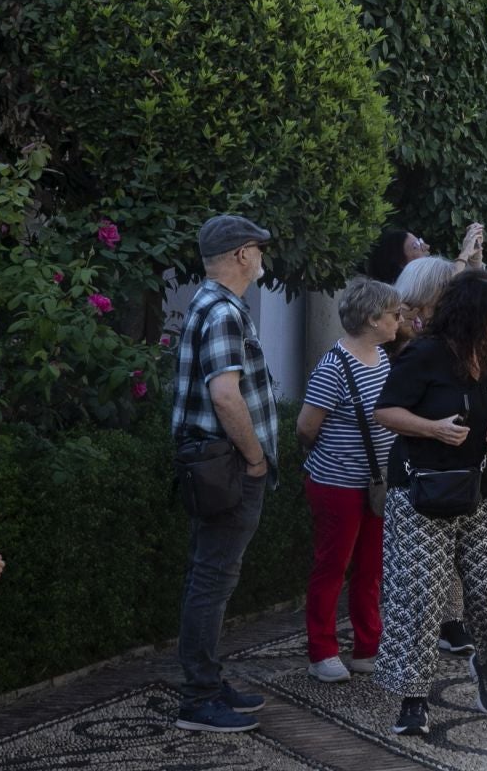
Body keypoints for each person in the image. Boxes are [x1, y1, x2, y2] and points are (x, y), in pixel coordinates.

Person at [374, 270, 487, 737]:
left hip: (484, 490)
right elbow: (385, 411)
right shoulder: (424, 354)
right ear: (477, 311)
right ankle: (413, 698)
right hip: (423, 491)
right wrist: (433, 428)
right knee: (422, 595)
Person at [170, 213, 278, 733]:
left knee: (208, 575)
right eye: (259, 249)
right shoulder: (224, 312)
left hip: (214, 464)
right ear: (241, 254)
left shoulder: (210, 304)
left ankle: (208, 681)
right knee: (212, 579)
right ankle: (199, 697)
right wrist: (255, 458)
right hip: (227, 466)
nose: (261, 258)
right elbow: (225, 395)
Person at [296, 276, 403, 684]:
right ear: (373, 319)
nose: (399, 320)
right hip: (336, 485)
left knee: (371, 568)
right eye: (394, 314)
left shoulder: (382, 359)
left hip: (375, 484)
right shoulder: (333, 368)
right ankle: (322, 651)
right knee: (332, 567)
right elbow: (306, 427)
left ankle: (367, 647)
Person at [369, 223, 485, 285]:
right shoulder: (409, 291)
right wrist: (465, 252)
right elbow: (450, 285)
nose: (426, 246)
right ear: (399, 264)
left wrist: (476, 251)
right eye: (416, 245)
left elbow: (473, 285)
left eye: (421, 241)